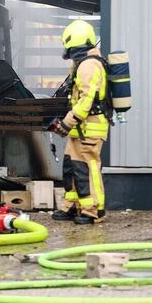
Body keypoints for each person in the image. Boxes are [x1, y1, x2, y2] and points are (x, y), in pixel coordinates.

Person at [47, 19, 108, 224]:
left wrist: (66, 122)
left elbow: (86, 101)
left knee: (88, 168)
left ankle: (94, 211)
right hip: (80, 128)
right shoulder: (82, 65)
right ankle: (72, 206)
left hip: (89, 128)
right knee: (71, 168)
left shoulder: (89, 66)